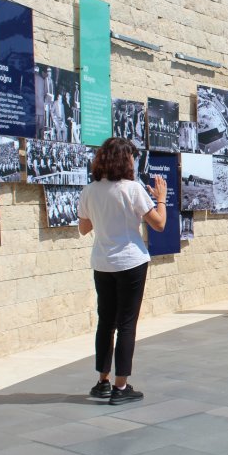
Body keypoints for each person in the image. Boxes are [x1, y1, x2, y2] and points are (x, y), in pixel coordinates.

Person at [77, 137, 167, 405]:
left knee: (106, 322)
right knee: (127, 324)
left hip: (102, 262)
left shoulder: (90, 190)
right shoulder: (132, 189)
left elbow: (84, 228)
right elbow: (159, 224)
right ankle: (121, 386)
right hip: (130, 261)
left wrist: (104, 216)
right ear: (124, 159)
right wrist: (160, 199)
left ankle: (102, 381)